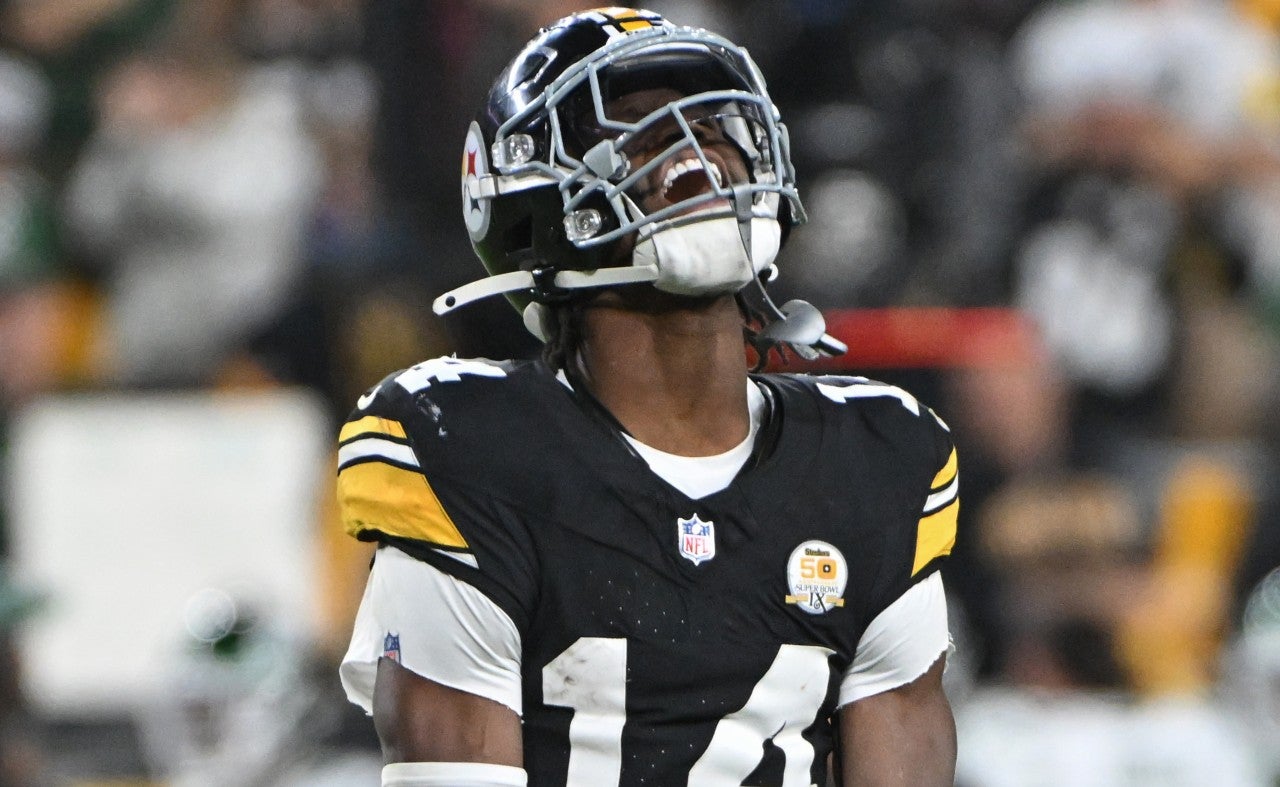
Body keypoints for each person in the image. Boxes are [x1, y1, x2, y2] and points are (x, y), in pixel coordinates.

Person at [338, 8, 959, 786]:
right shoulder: (472, 453)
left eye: (714, 125)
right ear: (534, 197)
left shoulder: (874, 462)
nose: (699, 154)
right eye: (639, 129)